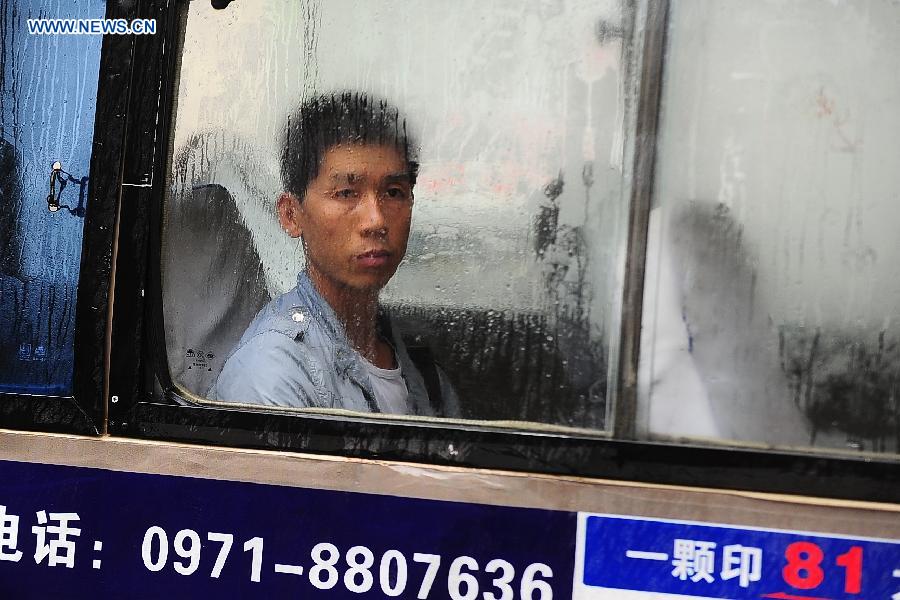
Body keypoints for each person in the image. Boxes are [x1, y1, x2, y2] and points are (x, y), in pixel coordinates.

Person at [209, 92, 459, 417]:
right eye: (346, 193)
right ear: (291, 215)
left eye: (393, 192)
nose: (376, 220)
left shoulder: (418, 365)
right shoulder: (274, 371)